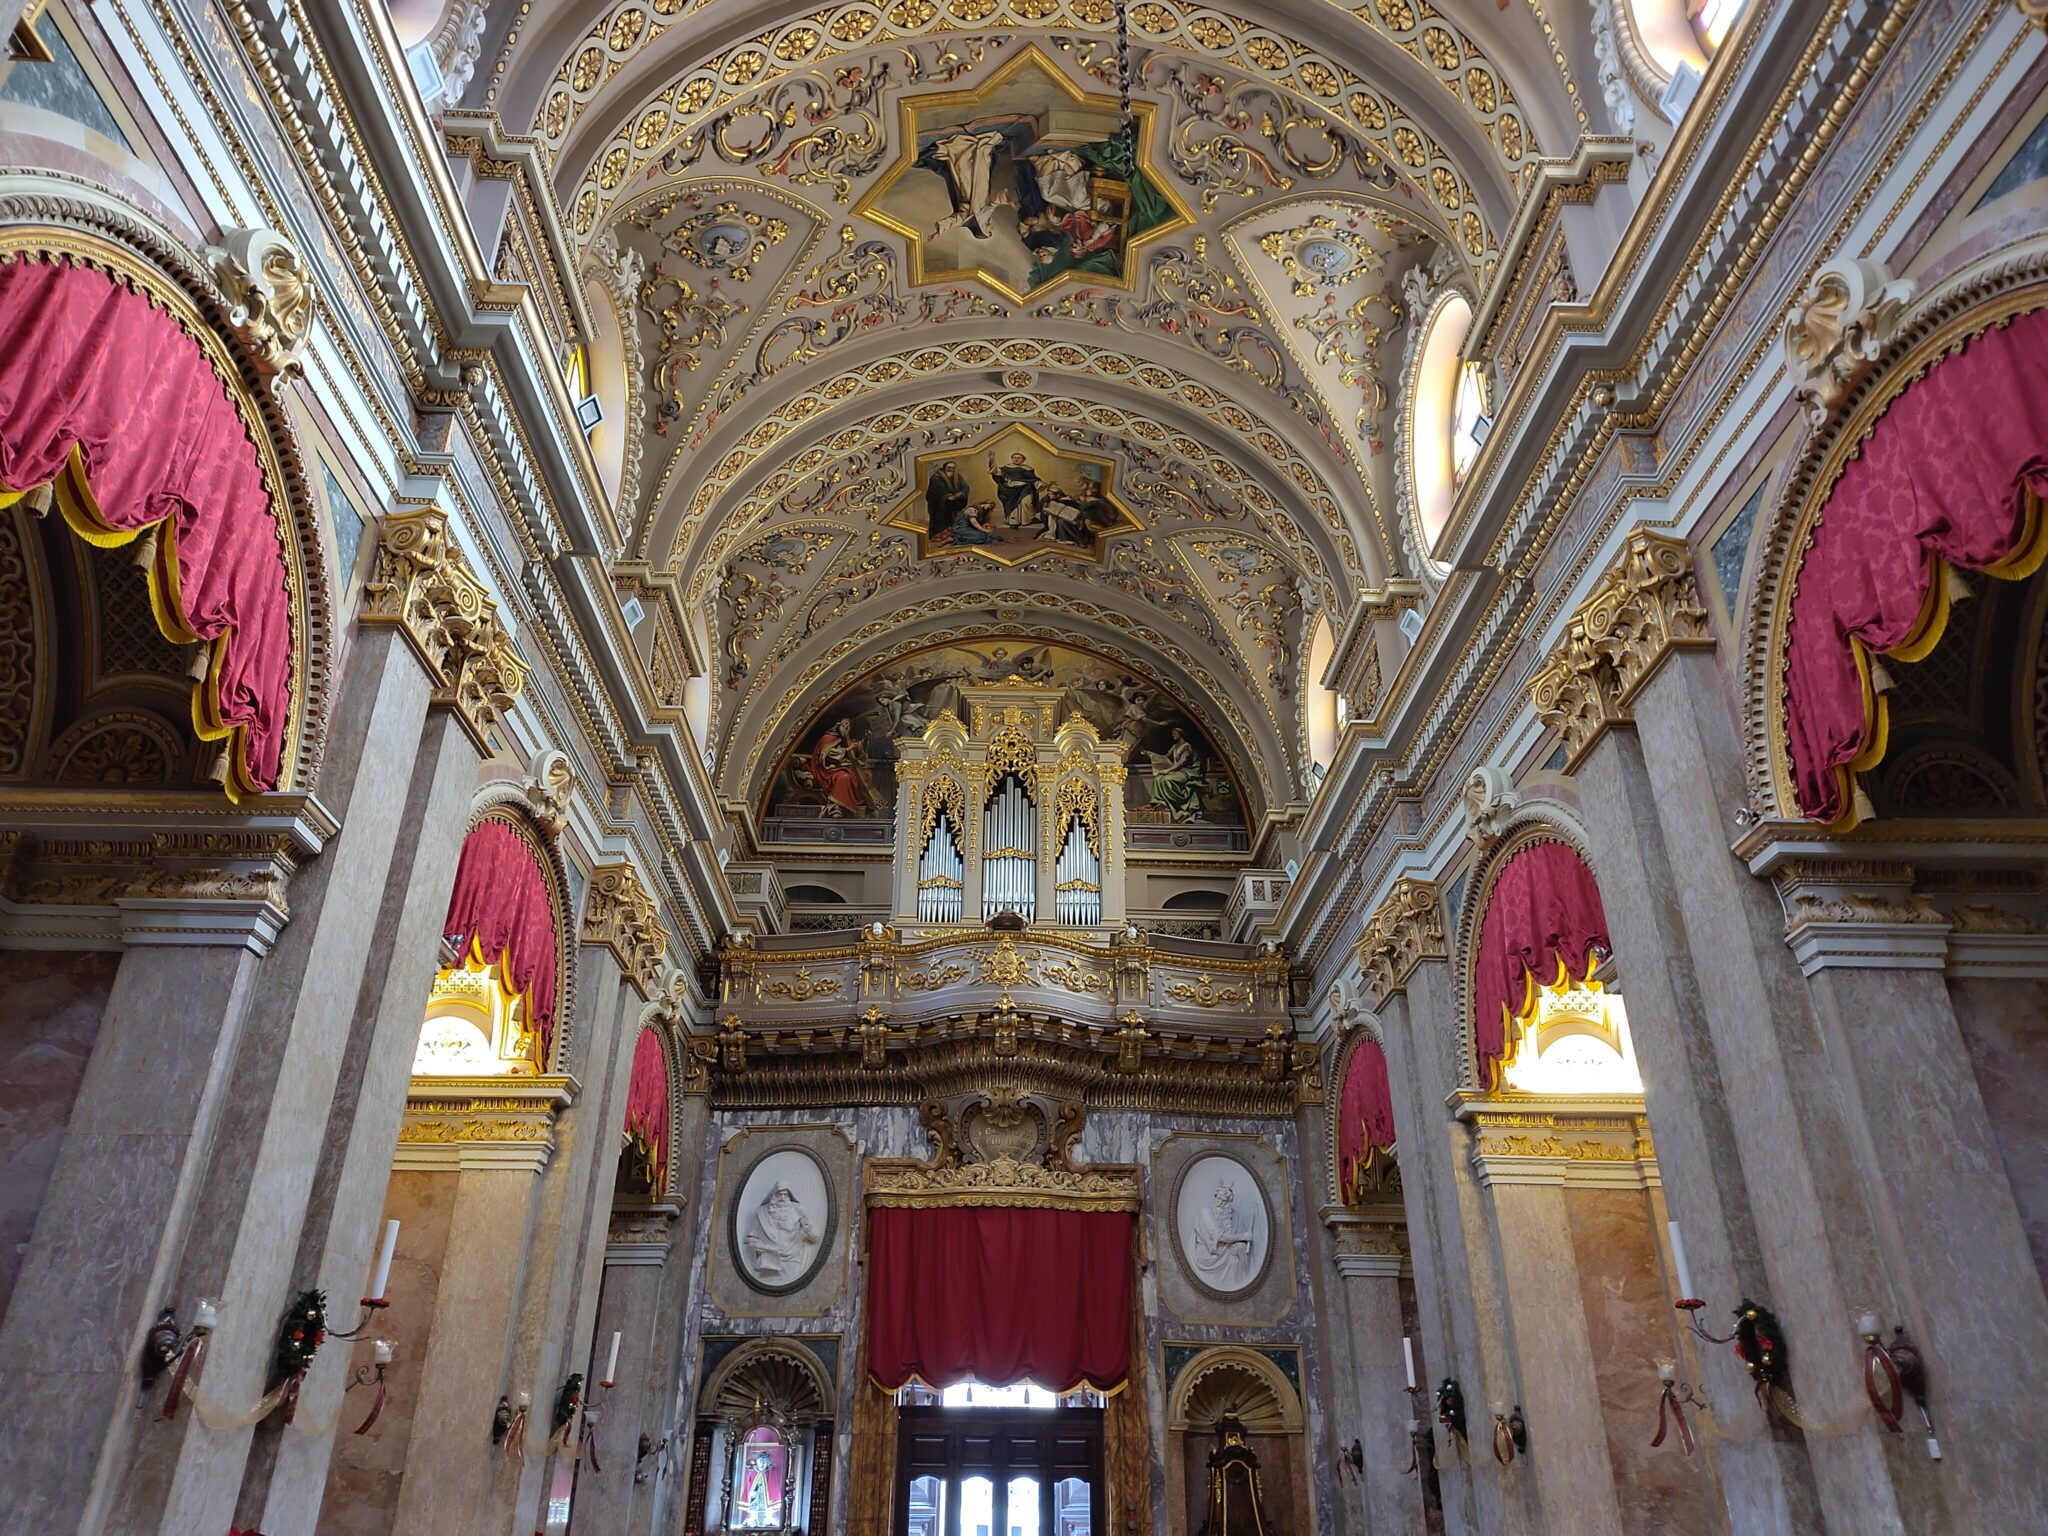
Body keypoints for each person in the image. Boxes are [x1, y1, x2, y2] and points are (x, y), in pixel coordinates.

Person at [742, 1183, 820, 1279]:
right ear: (773, 1195)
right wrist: (755, 1244)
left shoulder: (797, 1209)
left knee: (791, 1281)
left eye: (785, 1195)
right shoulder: (761, 1212)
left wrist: (808, 1229)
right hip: (768, 1261)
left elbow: (815, 1237)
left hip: (792, 1258)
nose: (782, 1198)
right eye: (780, 1195)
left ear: (790, 1196)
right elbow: (752, 1237)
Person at [1189, 1180, 1256, 1290]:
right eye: (1218, 1199)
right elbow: (1221, 1237)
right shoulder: (1206, 1212)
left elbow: (1242, 1241)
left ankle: (1235, 1288)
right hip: (1209, 1254)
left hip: (1227, 1254)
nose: (1220, 1202)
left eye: (1224, 1200)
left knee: (1236, 1255)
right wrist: (1244, 1236)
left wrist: (1240, 1245)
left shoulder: (1235, 1216)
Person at [809, 718, 877, 815]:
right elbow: (828, 755)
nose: (847, 727)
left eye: (848, 725)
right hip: (826, 769)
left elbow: (857, 754)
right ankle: (835, 807)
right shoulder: (828, 737)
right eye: (845, 724)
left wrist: (862, 744)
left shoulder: (845, 738)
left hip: (840, 767)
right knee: (844, 777)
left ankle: (864, 805)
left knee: (866, 774)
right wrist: (847, 749)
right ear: (838, 724)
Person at [1144, 726, 1208, 822]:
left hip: (1188, 772)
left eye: (1175, 734)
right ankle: (1158, 802)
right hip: (1177, 771)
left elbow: (1181, 762)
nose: (1173, 735)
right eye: (1172, 734)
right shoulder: (1174, 746)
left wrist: (1167, 770)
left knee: (1167, 779)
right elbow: (1165, 757)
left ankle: (1176, 803)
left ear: (1181, 734)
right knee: (1157, 778)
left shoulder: (1186, 746)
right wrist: (1150, 754)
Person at [989, 451, 1042, 528]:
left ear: (1023, 459)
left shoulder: (1028, 469)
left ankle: (1028, 519)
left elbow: (1033, 479)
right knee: (1013, 505)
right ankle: (1014, 521)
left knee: (1026, 502)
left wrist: (1040, 484)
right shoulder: (1006, 468)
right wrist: (991, 461)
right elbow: (996, 471)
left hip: (1025, 489)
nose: (1016, 459)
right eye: (1014, 458)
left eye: (1019, 458)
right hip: (1011, 490)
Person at [924, 459, 970, 536]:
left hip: (952, 506)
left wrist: (961, 494)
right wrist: (947, 497)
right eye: (949, 467)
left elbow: (965, 487)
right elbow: (935, 491)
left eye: (953, 468)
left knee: (953, 526)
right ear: (944, 468)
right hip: (939, 508)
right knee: (940, 527)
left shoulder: (957, 476)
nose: (951, 469)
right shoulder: (936, 478)